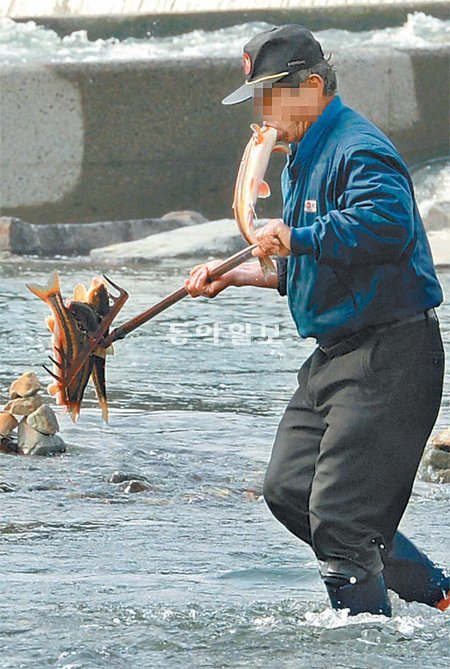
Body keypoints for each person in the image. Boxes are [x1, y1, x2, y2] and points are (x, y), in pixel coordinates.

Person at [185, 25, 449, 616]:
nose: (262, 110)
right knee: (289, 489)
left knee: (341, 519)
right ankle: (438, 594)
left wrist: (298, 236)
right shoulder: (302, 156)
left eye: (272, 94)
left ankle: (365, 645)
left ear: (310, 86)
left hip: (392, 355)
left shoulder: (358, 147)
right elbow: (315, 266)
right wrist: (235, 275)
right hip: (336, 356)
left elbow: (386, 227)